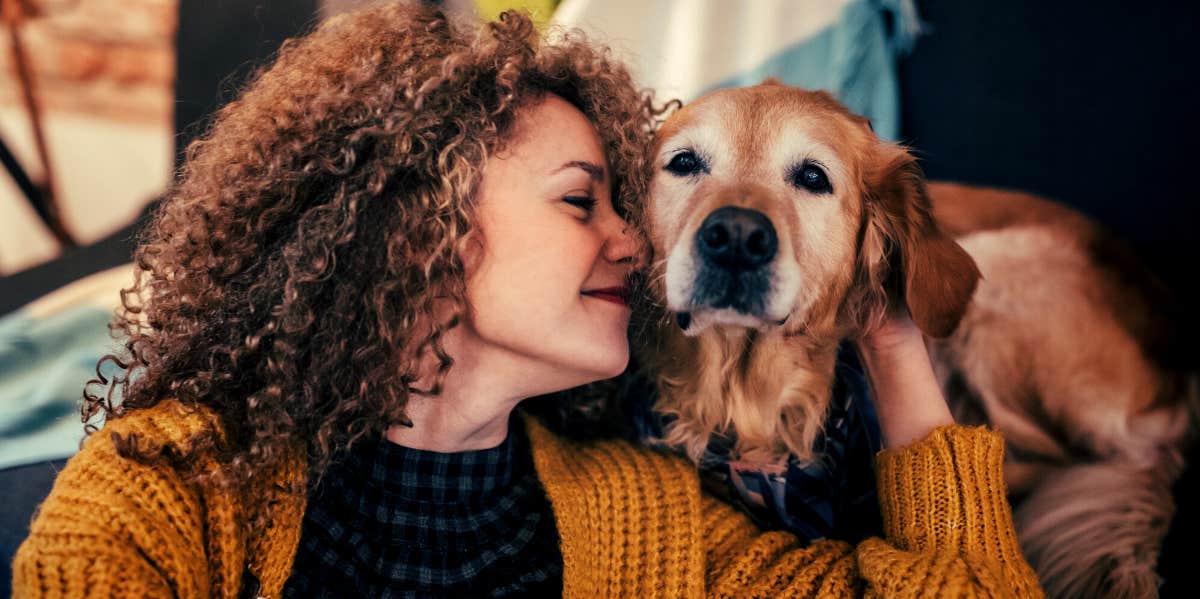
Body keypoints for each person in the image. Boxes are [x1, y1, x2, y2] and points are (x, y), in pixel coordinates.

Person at [13, 3, 1042, 597]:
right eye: (582, 200)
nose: (639, 240)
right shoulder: (175, 482)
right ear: (421, 230)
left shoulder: (652, 522)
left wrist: (890, 326)